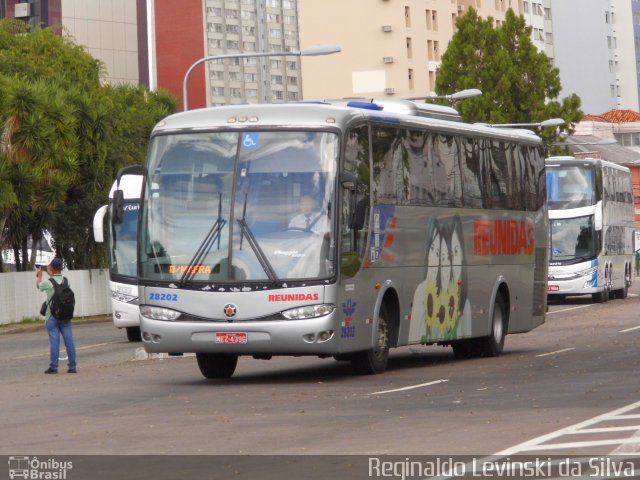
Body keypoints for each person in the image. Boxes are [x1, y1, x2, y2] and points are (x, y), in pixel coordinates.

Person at [36, 257, 77, 374]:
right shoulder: (66, 281)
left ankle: (54, 367)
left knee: (54, 341)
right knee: (69, 340)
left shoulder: (47, 283)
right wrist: (51, 272)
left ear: (52, 268)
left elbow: (39, 286)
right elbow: (57, 282)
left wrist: (39, 275)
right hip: (65, 315)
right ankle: (72, 366)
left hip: (52, 316)